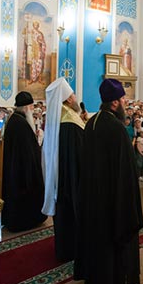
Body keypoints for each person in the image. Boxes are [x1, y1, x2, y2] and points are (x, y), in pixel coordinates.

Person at [74, 79, 143, 284]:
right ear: (114, 103)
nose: (125, 103)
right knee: (113, 242)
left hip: (94, 198)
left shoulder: (92, 123)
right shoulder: (117, 128)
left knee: (97, 241)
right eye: (123, 99)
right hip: (113, 201)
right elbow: (127, 171)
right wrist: (130, 203)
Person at [41, 78, 85, 262]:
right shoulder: (71, 123)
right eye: (73, 94)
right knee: (72, 215)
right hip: (72, 178)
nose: (75, 97)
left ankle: (63, 250)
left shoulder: (57, 119)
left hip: (59, 178)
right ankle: (73, 251)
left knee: (63, 216)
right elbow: (81, 154)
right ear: (68, 99)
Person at [1, 91, 47, 232]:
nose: (33, 109)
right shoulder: (20, 124)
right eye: (32, 106)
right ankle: (26, 221)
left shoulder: (15, 120)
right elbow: (28, 152)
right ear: (26, 107)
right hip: (23, 172)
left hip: (16, 169)